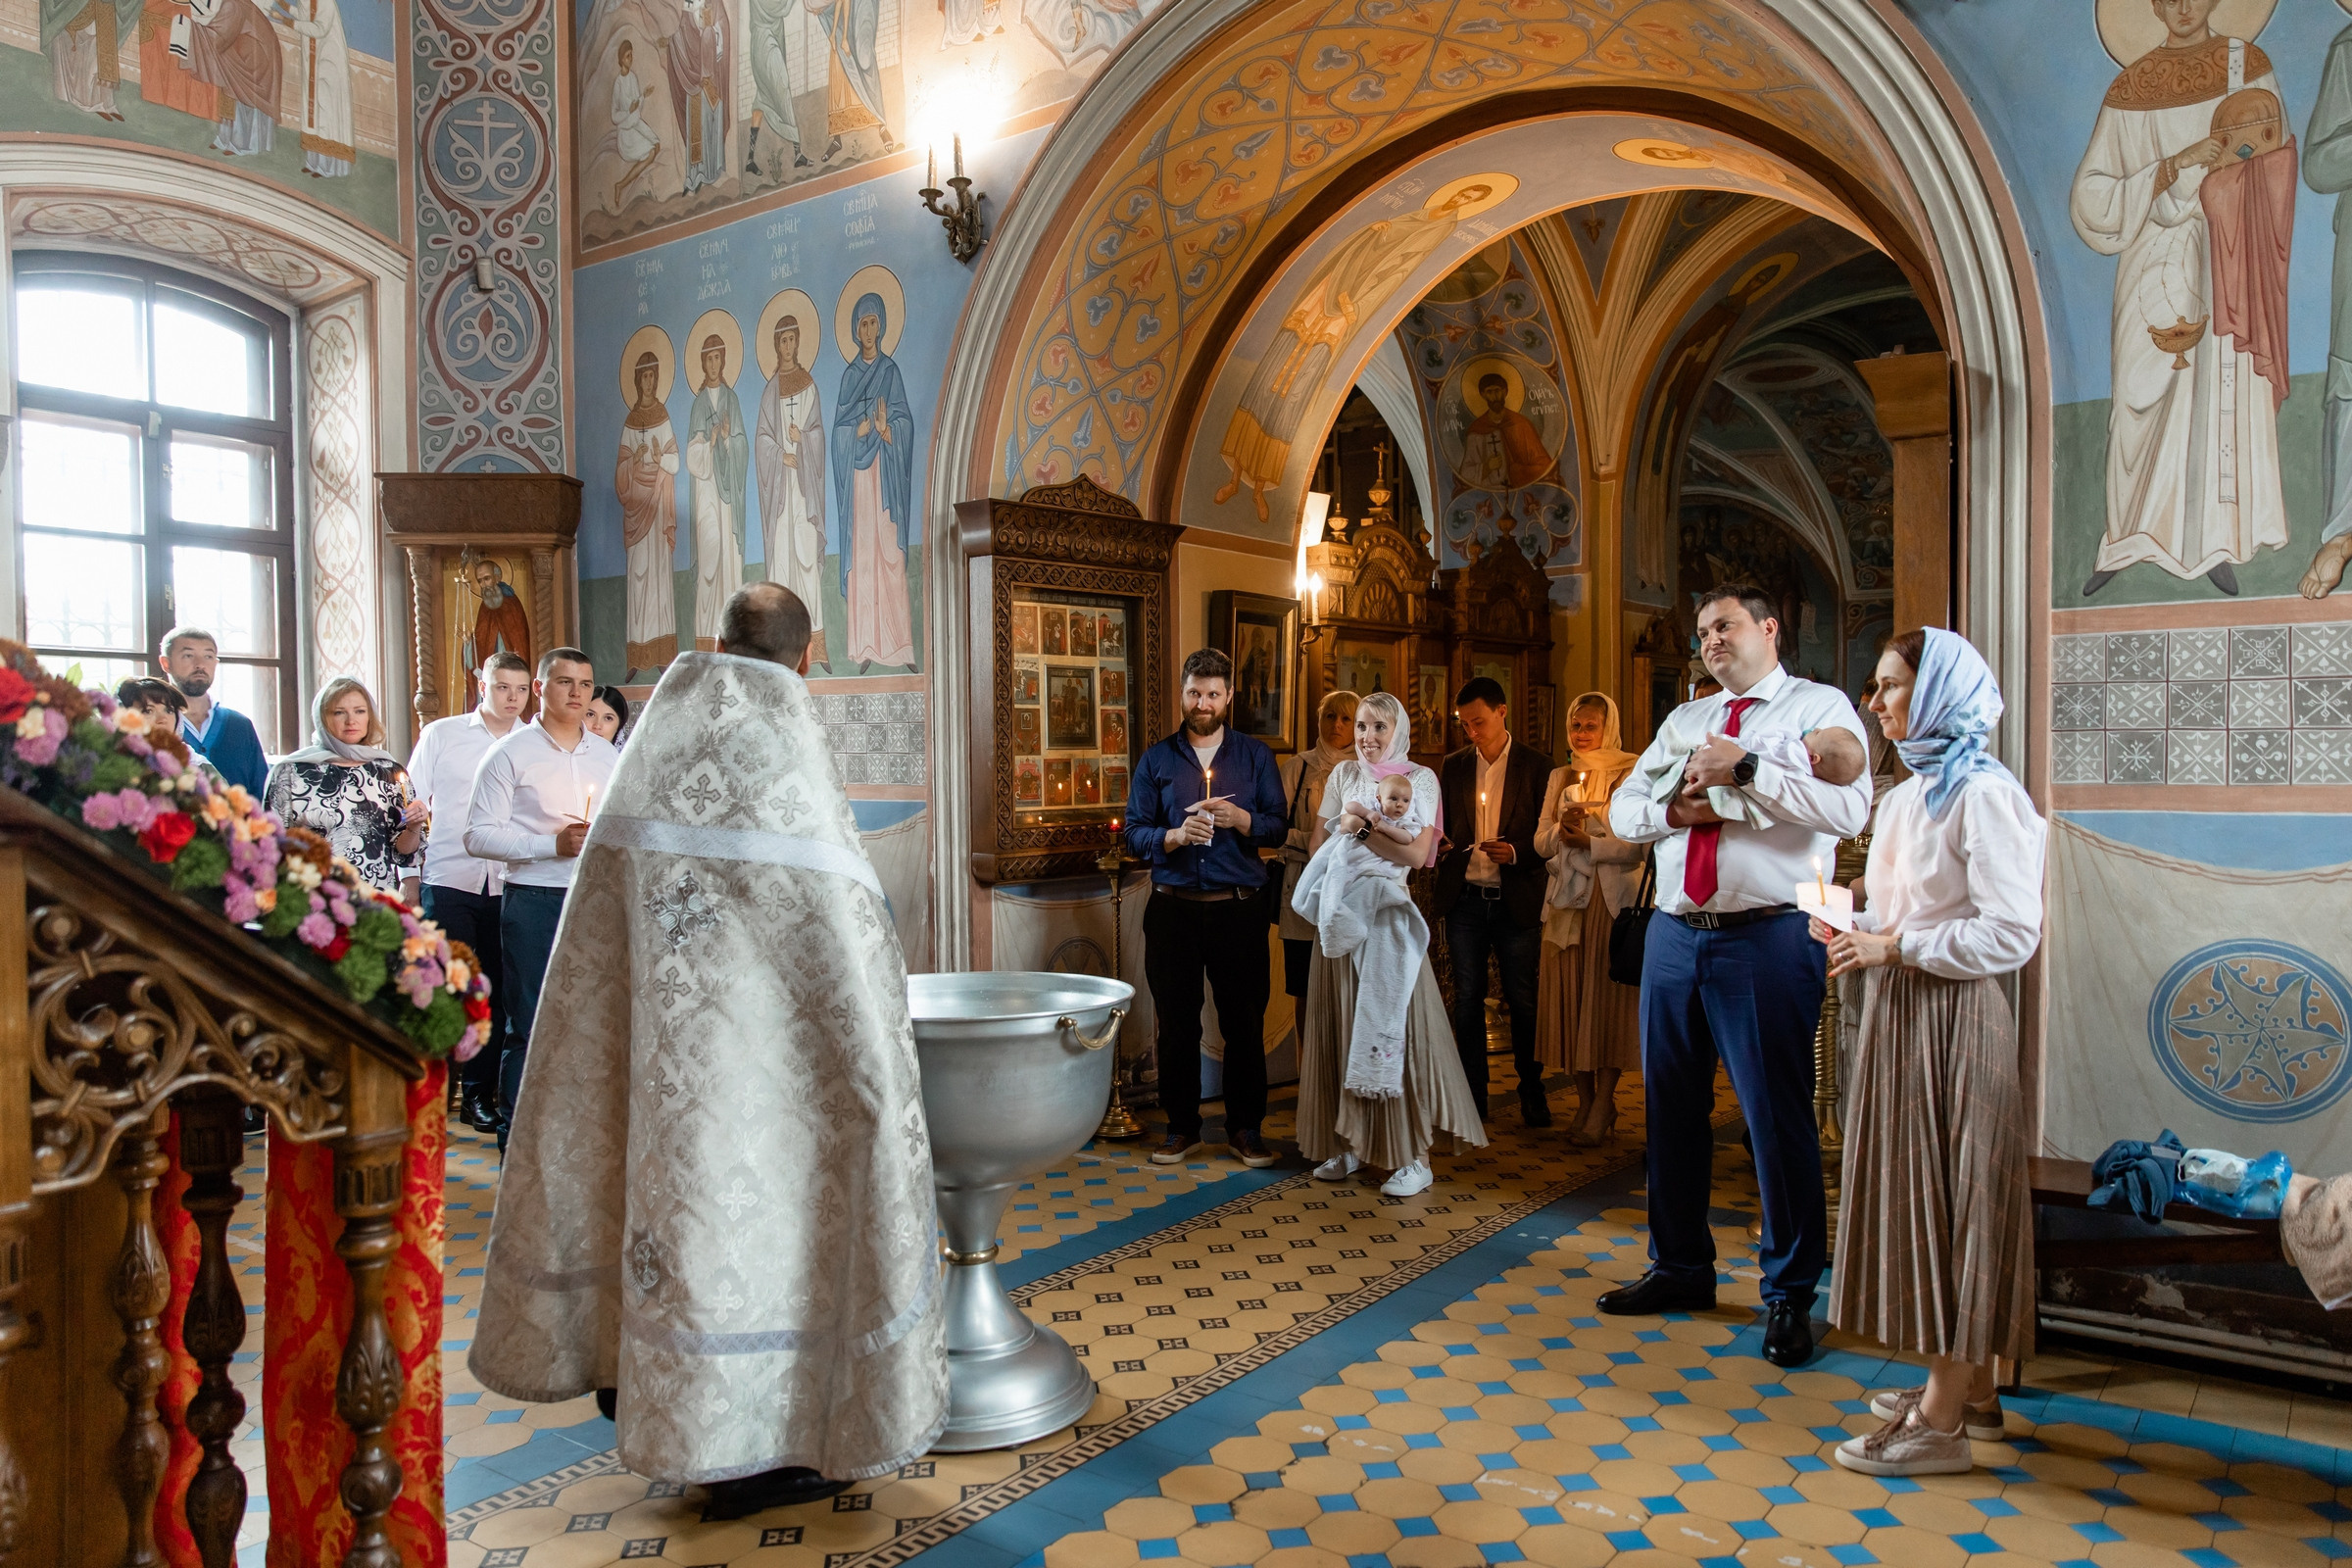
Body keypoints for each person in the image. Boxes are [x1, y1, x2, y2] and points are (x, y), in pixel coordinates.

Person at [470, 583, 943, 1517]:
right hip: (777, 1090)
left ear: (715, 642)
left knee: (674, 1227)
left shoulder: (653, 751)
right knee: (763, 1240)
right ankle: (762, 1450)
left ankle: (668, 1415)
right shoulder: (789, 761)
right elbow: (847, 946)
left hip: (660, 1077)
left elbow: (591, 956)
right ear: (804, 661)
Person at [1603, 584, 1871, 1368]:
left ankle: (1789, 1294)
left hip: (1769, 934)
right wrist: (1676, 815)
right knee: (1670, 1111)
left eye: (1725, 625)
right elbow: (1624, 809)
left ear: (1769, 627)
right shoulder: (1685, 720)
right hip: (1675, 934)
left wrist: (1746, 771)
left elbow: (1849, 810)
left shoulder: (1816, 709)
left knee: (1773, 1119)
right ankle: (1680, 1266)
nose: (1711, 639)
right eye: (1702, 630)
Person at [1823, 628, 2045, 1477]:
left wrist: (1897, 949)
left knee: (1953, 1204)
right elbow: (1897, 906)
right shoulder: (1910, 795)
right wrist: (1852, 919)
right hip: (1904, 1011)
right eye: (1876, 688)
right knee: (1925, 1193)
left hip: (1953, 1018)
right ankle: (1972, 1388)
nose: (1876, 704)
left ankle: (1942, 1422)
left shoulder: (1984, 795)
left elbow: (2012, 931)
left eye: (1891, 687)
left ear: (1943, 692)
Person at [1295, 691, 1486, 1197]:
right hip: (1339, 911)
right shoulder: (1342, 776)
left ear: (1397, 731)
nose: (1366, 737)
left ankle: (1411, 1156)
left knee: (1395, 1031)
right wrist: (1348, 841)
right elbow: (1321, 843)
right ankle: (1351, 1142)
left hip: (1387, 916)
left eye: (1379, 728)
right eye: (1360, 726)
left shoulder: (1420, 779)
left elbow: (1419, 851)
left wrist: (1358, 833)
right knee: (1339, 1024)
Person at [1124, 648, 1288, 1170]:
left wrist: (1241, 818)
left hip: (1239, 909)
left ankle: (1245, 1129)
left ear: (1229, 697)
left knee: (1243, 1023)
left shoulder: (1255, 757)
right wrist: (1173, 835)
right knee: (1176, 1024)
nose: (1203, 702)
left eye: (1213, 694)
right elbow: (1133, 832)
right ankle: (1181, 1128)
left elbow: (1277, 827)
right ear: (1183, 693)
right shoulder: (1157, 759)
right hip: (1173, 910)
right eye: (1194, 692)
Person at [464, 648, 619, 1151]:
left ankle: (579, 1143)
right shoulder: (510, 753)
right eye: (565, 682)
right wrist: (549, 845)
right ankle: (519, 1142)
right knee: (529, 1026)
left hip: (593, 901)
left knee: (591, 1023)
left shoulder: (606, 754)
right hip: (532, 900)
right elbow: (478, 836)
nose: (577, 694)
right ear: (539, 688)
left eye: (586, 684)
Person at [410, 651, 532, 1134]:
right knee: (449, 987)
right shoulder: (443, 734)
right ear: (482, 684)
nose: (512, 698)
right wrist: (409, 874)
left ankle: (480, 1096)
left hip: (509, 880)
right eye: (503, 687)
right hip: (451, 876)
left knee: (498, 993)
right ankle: (432, 1093)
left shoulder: (532, 742)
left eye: (521, 690)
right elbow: (411, 799)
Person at [1435, 676, 1555, 1126]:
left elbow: (1547, 833)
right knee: (1467, 999)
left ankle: (1532, 1089)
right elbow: (1442, 822)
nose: (1472, 732)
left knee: (1523, 1000)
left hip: (1514, 897)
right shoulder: (1455, 765)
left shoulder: (1537, 766)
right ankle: (1473, 1095)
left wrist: (1518, 851)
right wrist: (1441, 843)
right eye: (1465, 724)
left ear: (1502, 712)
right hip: (1466, 898)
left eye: (1479, 722)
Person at [1533, 692, 1643, 1147]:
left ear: (1609, 727)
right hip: (1566, 903)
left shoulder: (1631, 771)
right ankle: (1584, 1099)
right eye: (1576, 726)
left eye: (1591, 725)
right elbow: (1540, 842)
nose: (1582, 734)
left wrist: (1590, 844)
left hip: (1609, 900)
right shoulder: (1561, 775)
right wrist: (1562, 828)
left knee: (1602, 1001)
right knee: (1571, 998)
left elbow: (1639, 845)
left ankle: (1605, 1101)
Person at [263, 678, 426, 898]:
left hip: (373, 901)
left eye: (359, 711)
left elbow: (403, 853)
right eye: (339, 712)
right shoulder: (291, 772)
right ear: (322, 718)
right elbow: (269, 845)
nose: (351, 721)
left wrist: (414, 826)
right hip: (308, 898)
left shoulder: (388, 771)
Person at [1276, 691, 1359, 1034]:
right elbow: (1275, 830)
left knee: (1347, 990)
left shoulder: (1366, 771)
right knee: (1305, 991)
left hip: (1351, 894)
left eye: (1346, 719)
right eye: (1330, 717)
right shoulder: (1298, 767)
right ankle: (1307, 1071)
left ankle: (1343, 1077)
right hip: (1302, 888)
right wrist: (1315, 843)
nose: (1336, 725)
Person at [160, 625, 268, 798]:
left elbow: (262, 794)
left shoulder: (239, 725)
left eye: (208, 656)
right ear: (166, 663)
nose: (200, 665)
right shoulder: (157, 726)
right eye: (188, 655)